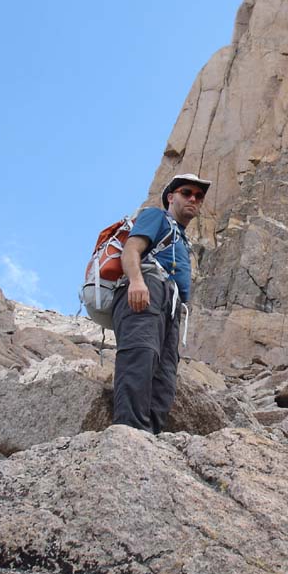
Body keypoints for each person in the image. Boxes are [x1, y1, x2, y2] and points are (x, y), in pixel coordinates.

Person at [111, 172, 211, 433]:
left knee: (165, 376)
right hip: (148, 288)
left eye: (198, 197)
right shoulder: (156, 217)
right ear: (170, 197)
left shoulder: (181, 237)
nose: (194, 199)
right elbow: (132, 248)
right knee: (140, 356)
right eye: (186, 193)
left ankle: (149, 439)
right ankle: (127, 433)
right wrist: (136, 281)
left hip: (171, 305)